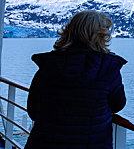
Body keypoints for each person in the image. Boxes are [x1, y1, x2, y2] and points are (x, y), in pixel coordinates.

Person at [25, 10, 127, 149]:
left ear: (69, 32)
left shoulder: (48, 65)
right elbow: (118, 104)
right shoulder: (108, 68)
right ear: (101, 36)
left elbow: (33, 109)